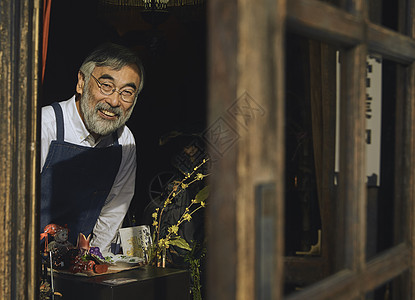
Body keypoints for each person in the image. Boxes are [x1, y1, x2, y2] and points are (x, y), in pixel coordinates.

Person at [40, 43, 144, 254]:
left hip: (78, 265)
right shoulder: (43, 126)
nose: (114, 101)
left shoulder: (124, 141)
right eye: (106, 86)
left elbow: (114, 210)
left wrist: (92, 262)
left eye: (127, 93)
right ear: (81, 82)